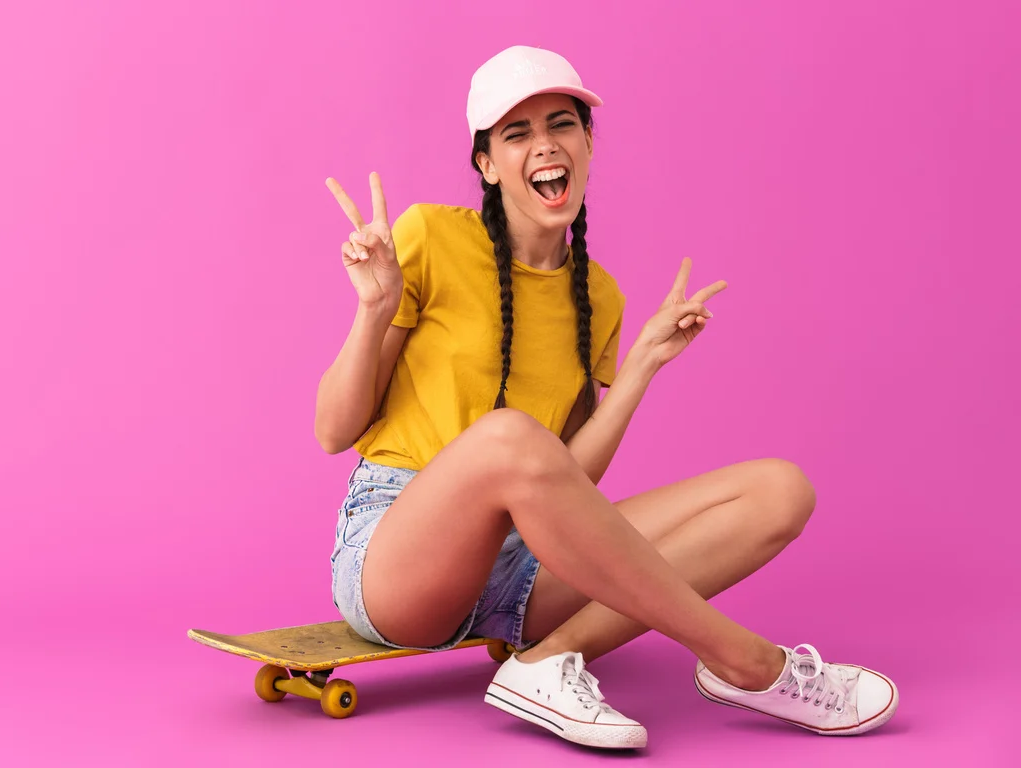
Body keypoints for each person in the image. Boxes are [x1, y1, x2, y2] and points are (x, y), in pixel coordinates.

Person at [316, 45, 898, 750]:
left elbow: (564, 486)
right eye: (516, 133)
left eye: (561, 124)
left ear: (588, 143)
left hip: (519, 565)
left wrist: (642, 367)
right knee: (508, 435)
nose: (544, 145)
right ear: (486, 165)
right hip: (398, 560)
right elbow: (332, 430)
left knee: (780, 491)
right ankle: (747, 661)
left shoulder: (600, 296)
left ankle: (547, 661)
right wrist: (374, 309)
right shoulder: (430, 236)